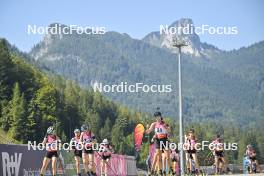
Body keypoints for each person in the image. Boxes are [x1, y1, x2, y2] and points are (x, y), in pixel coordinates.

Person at [145, 110, 172, 175]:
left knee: (168, 157)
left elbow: (169, 132)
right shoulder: (154, 124)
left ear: (160, 116)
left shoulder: (164, 123)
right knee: (158, 157)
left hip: (164, 140)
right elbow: (148, 131)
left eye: (158, 116)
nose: (157, 118)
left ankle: (171, 170)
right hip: (158, 140)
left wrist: (167, 128)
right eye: (156, 117)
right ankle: (160, 171)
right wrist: (147, 129)